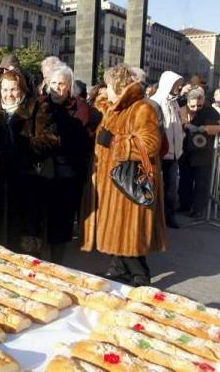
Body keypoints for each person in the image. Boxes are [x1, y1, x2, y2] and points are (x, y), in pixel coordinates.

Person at [81, 64, 165, 287]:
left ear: (117, 85)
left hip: (128, 184)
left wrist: (116, 142)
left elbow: (150, 145)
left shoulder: (141, 108)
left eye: (108, 85)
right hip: (111, 184)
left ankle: (141, 278)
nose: (106, 90)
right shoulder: (114, 108)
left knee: (129, 238)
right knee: (116, 235)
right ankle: (119, 270)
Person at [0, 70, 57, 254]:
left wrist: (19, 150)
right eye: (5, 89)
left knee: (22, 240)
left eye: (13, 89)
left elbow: (50, 140)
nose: (8, 94)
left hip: (26, 182)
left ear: (21, 89)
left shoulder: (37, 108)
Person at [40, 65, 90, 263]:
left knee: (61, 220)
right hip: (43, 171)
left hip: (68, 173)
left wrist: (56, 139)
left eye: (61, 84)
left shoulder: (80, 108)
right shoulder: (40, 104)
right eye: (53, 83)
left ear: (69, 86)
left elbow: (82, 142)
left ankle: (56, 261)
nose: (56, 88)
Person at [178, 87, 220, 219]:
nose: (196, 108)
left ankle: (198, 210)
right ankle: (184, 205)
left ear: (203, 100)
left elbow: (219, 127)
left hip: (204, 152)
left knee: (202, 182)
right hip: (185, 151)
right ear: (188, 101)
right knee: (185, 180)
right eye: (193, 105)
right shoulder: (183, 109)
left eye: (199, 105)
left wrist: (207, 128)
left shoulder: (211, 112)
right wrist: (184, 124)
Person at [150, 71, 184, 228]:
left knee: (171, 188)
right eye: (177, 84)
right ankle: (155, 218)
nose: (180, 87)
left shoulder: (175, 103)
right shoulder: (155, 102)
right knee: (156, 187)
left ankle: (169, 216)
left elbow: (178, 125)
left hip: (175, 153)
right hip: (161, 153)